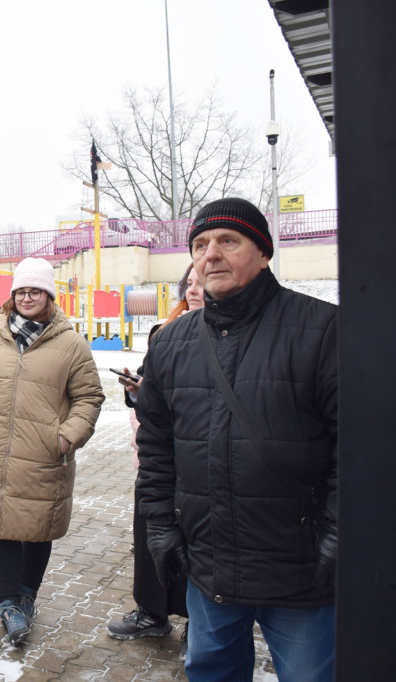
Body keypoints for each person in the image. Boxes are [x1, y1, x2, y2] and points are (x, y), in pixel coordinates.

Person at [135, 197, 338, 680]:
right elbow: (157, 449)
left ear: (263, 252)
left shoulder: (323, 330)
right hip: (211, 567)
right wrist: (160, 524)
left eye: (229, 240)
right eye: (200, 244)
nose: (211, 255)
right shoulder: (170, 342)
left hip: (301, 570)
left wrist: (341, 532)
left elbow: (357, 449)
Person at [0, 257, 104, 647]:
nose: (27, 297)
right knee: (3, 525)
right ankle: (8, 602)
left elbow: (90, 397)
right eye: (21, 291)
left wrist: (66, 437)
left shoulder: (71, 343)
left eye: (35, 291)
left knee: (38, 527)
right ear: (13, 296)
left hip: (44, 454)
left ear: (48, 295)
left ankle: (28, 595)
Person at [107, 263, 203, 653]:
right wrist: (135, 390)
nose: (194, 290)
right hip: (159, 456)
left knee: (198, 541)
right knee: (150, 531)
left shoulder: (234, 338)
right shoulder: (165, 333)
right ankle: (151, 612)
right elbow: (151, 393)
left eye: (200, 284)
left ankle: (200, 623)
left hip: (202, 460)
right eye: (189, 284)